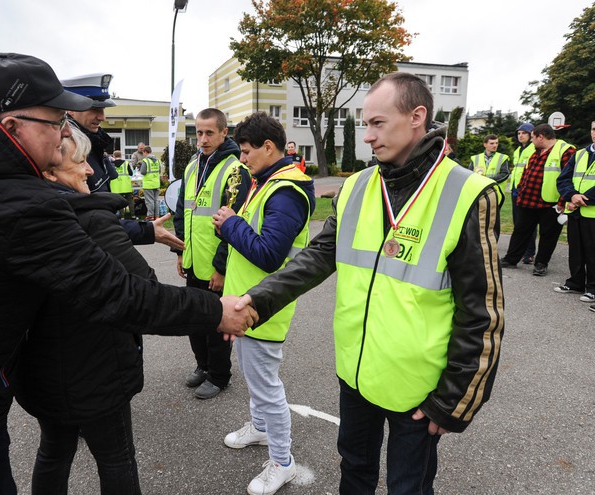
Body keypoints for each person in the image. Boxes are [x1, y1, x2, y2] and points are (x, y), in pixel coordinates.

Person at [0, 53, 254, 495]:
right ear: (11, 126)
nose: (65, 133)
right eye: (56, 121)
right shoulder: (23, 205)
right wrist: (215, 311)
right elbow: (122, 294)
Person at [229, 72, 505, 494]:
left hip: (417, 389)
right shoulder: (357, 186)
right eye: (364, 124)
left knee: (406, 487)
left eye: (378, 123)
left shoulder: (467, 192)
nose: (367, 137)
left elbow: (483, 311)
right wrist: (255, 300)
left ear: (417, 116)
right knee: (354, 471)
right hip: (355, 374)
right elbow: (318, 257)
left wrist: (455, 401)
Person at [16, 126, 188, 494]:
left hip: (41, 370)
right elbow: (143, 288)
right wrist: (212, 312)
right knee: (116, 458)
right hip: (96, 369)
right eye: (80, 161)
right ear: (49, 171)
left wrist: (139, 231)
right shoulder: (89, 219)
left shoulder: (20, 216)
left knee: (53, 452)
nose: (91, 170)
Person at [212, 112, 315, 495]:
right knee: (256, 380)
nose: (242, 158)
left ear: (268, 147)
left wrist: (230, 224)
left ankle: (283, 463)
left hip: (264, 307)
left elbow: (270, 254)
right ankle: (259, 428)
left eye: (247, 150)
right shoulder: (267, 181)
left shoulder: (286, 190)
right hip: (247, 304)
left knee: (266, 385)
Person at [174, 108, 253, 400]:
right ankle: (203, 366)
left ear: (223, 133)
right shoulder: (193, 166)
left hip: (216, 267)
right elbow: (183, 211)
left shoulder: (236, 170)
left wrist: (221, 268)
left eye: (209, 133)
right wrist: (179, 250)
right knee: (194, 319)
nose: (203, 139)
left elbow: (234, 223)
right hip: (194, 260)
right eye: (199, 132)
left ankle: (219, 376)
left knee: (217, 323)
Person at [501, 124, 576, 276]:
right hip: (528, 200)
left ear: (541, 137)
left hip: (551, 203)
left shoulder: (566, 151)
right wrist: (521, 189)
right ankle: (511, 259)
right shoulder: (536, 151)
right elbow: (527, 172)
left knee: (548, 235)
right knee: (520, 230)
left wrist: (563, 201)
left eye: (533, 137)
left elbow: (570, 178)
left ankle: (541, 264)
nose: (532, 140)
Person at [553, 120, 595, 306]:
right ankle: (576, 282)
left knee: (593, 251)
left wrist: (582, 199)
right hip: (576, 212)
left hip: (591, 211)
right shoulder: (579, 154)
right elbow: (563, 178)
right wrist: (572, 195)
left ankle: (593, 288)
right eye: (594, 129)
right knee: (576, 249)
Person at [63, 73, 119, 192]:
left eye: (102, 109)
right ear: (71, 109)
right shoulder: (66, 146)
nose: (102, 117)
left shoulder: (94, 140)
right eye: (94, 109)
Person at [511, 123, 538, 264]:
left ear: (531, 134)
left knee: (528, 223)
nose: (520, 135)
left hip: (527, 191)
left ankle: (529, 253)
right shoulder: (517, 150)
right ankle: (520, 252)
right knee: (518, 224)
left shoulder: (534, 149)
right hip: (516, 191)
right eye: (519, 133)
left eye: (524, 133)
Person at [139, 146, 161, 220]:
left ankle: (150, 215)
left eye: (143, 153)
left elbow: (143, 172)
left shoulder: (145, 161)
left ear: (145, 152)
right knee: (156, 200)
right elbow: (159, 171)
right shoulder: (157, 160)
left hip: (148, 184)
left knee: (149, 201)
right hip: (156, 183)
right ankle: (157, 216)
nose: (143, 155)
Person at [111, 150, 134, 217]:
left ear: (114, 156)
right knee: (130, 200)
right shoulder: (126, 163)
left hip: (116, 186)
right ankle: (133, 215)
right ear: (121, 155)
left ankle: (122, 216)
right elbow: (131, 173)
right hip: (126, 185)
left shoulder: (111, 164)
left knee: (119, 201)